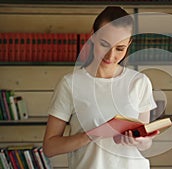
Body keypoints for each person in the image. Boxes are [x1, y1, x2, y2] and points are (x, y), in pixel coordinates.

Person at [43, 6, 158, 169]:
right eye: (104, 44)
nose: (111, 56)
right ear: (93, 36)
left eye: (120, 48)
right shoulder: (70, 84)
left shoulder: (139, 82)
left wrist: (139, 140)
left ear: (129, 44)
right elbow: (50, 147)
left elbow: (146, 144)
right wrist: (92, 135)